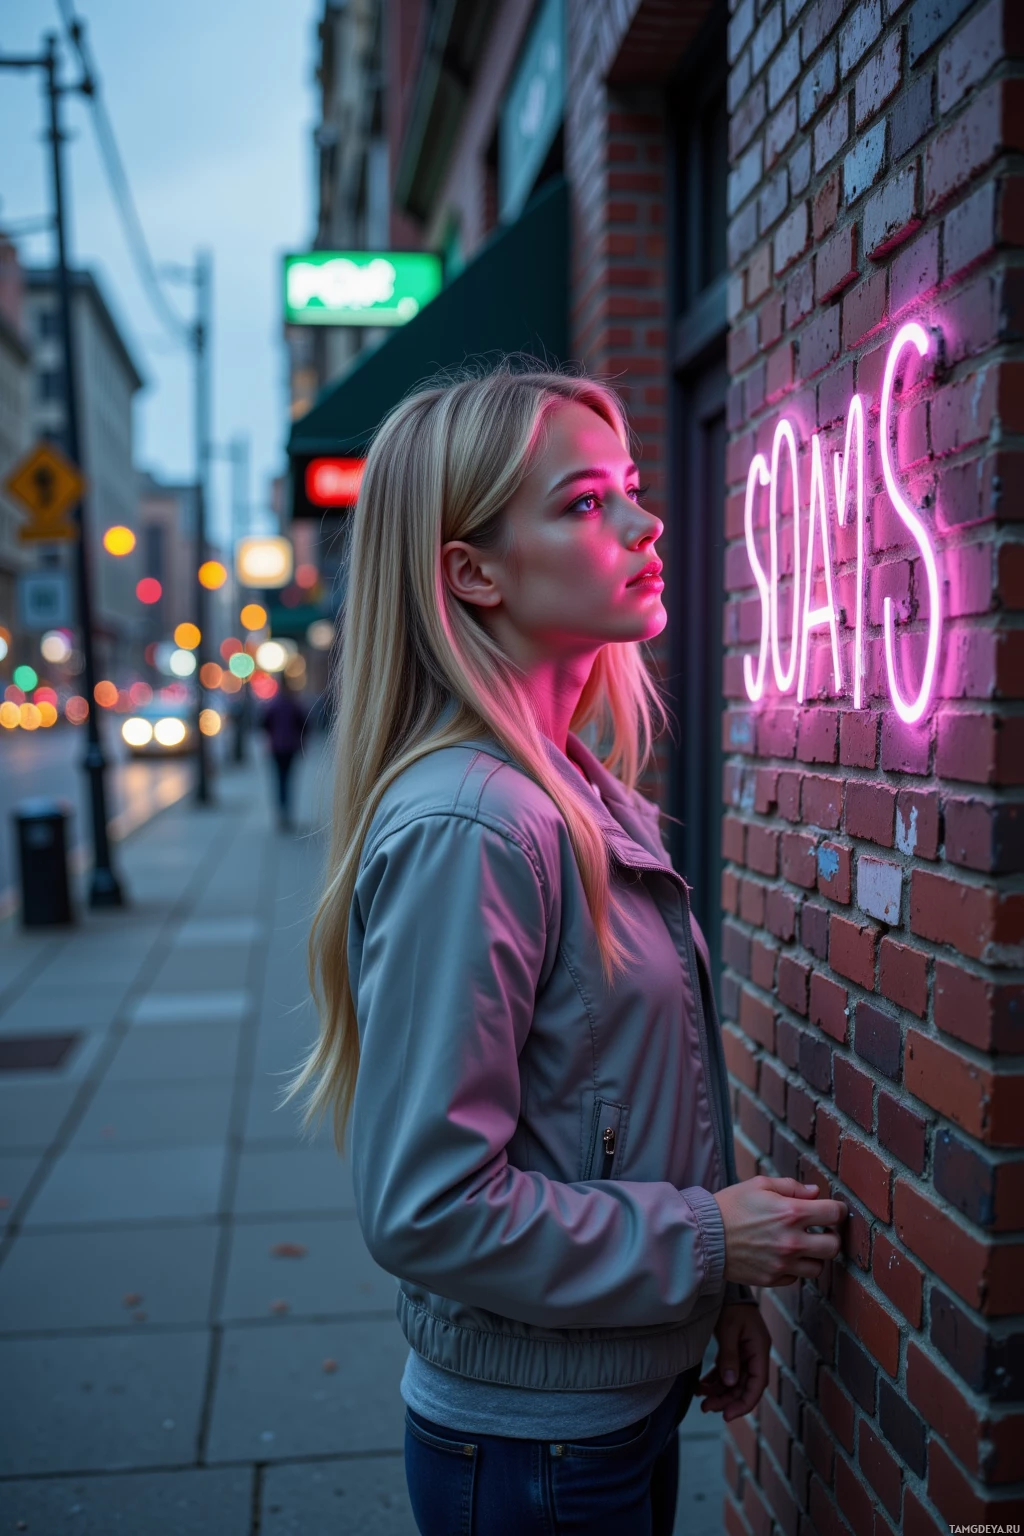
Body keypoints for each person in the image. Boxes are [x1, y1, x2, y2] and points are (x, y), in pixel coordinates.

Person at [283, 365, 847, 1535]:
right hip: (530, 1449)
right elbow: (428, 1208)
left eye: (630, 488)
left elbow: (625, 1090)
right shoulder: (475, 826)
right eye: (585, 503)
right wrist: (705, 1240)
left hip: (604, 1403)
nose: (644, 523)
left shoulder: (578, 791)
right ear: (470, 573)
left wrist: (712, 1289)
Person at [258, 681, 307, 830]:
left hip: (277, 748)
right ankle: (287, 813)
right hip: (291, 747)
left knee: (279, 780)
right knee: (289, 780)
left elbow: (263, 724)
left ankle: (281, 813)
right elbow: (305, 725)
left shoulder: (273, 705)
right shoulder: (294, 705)